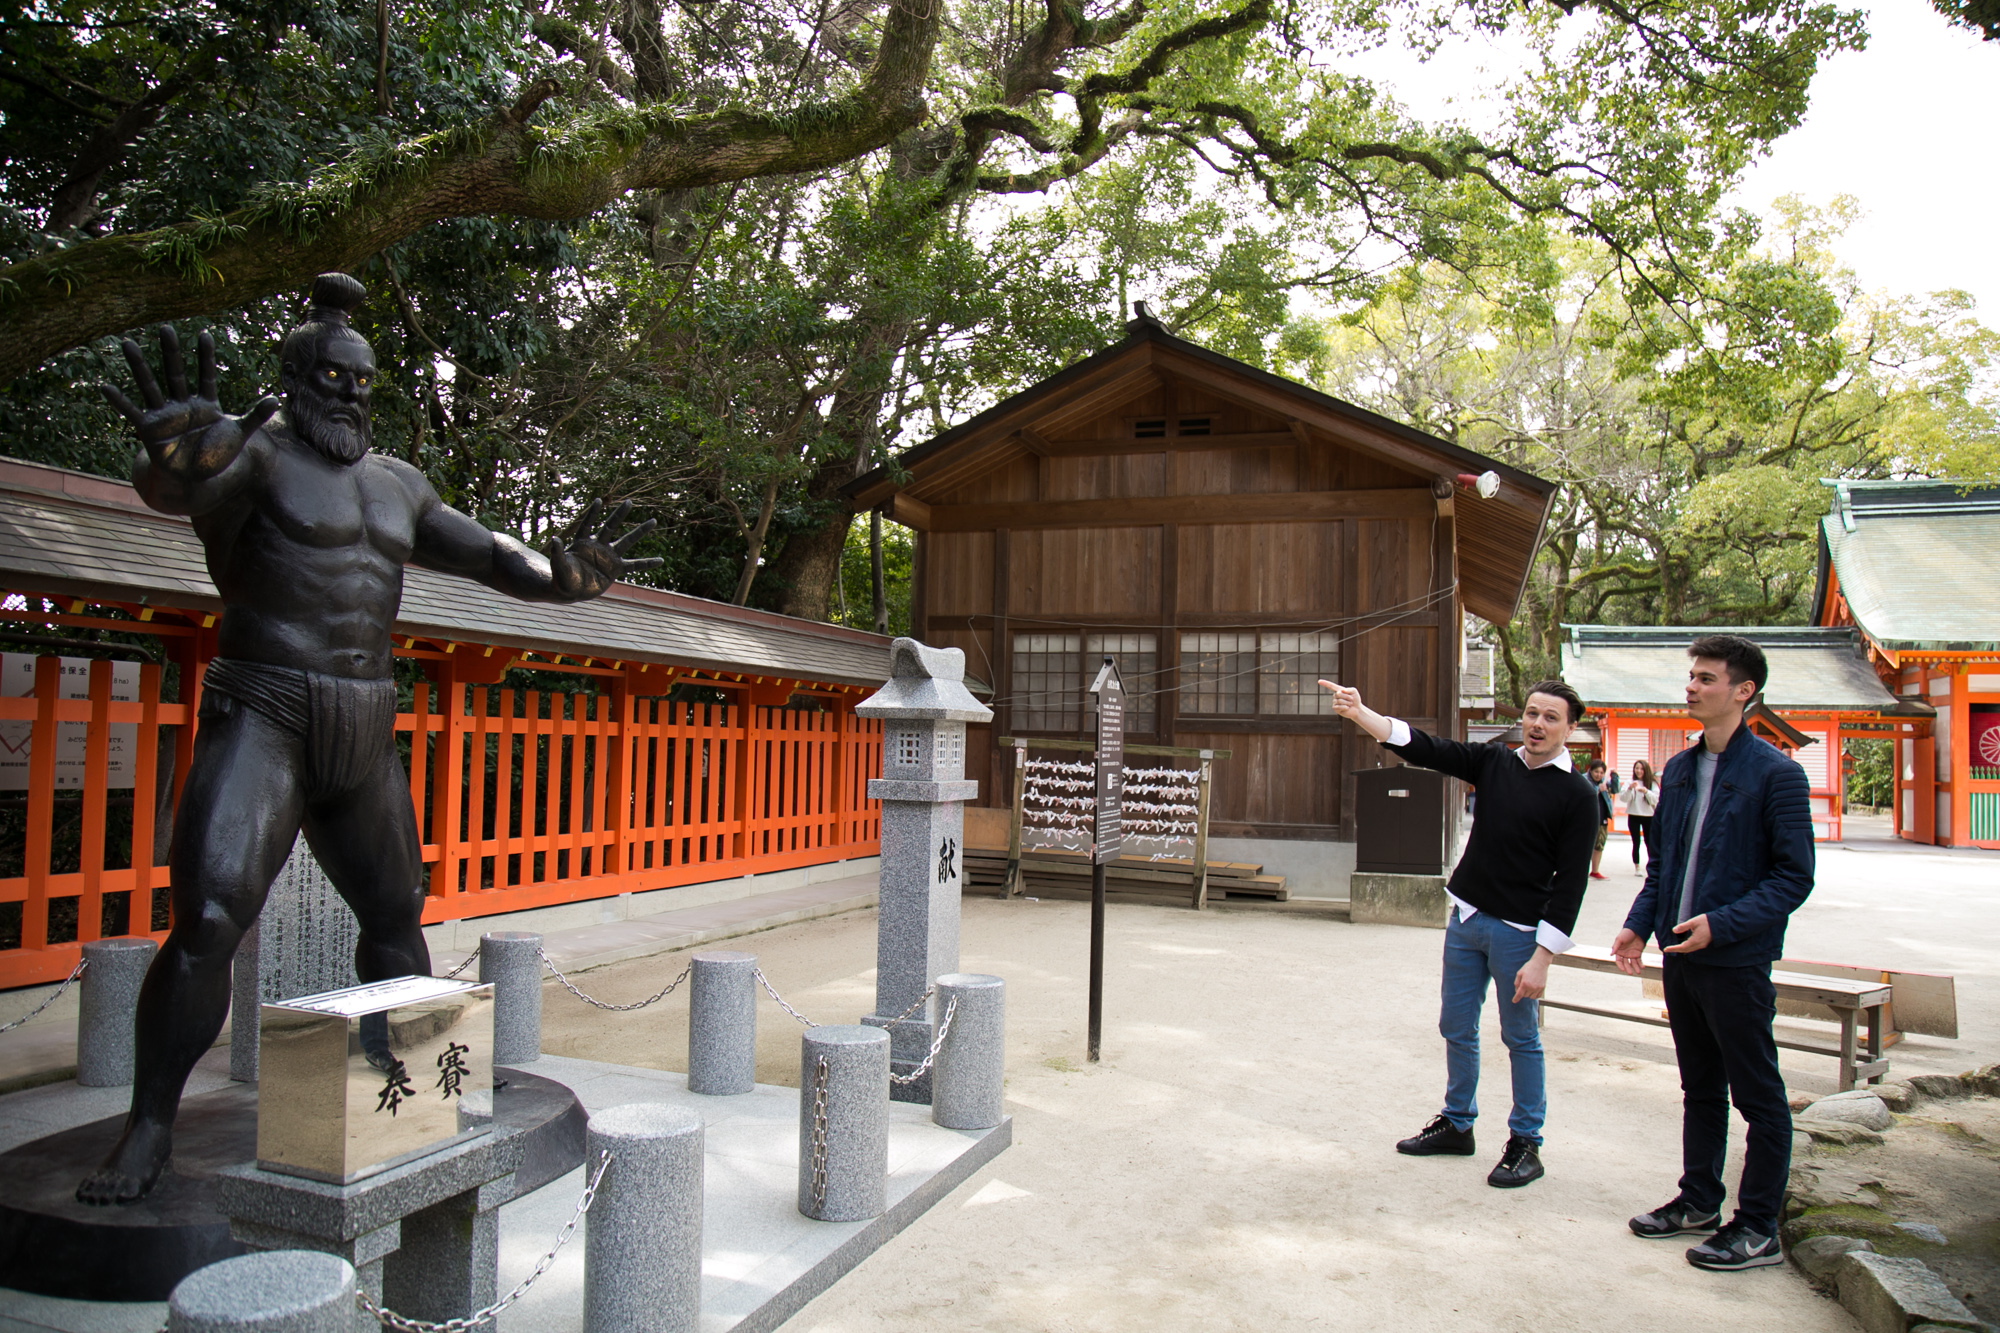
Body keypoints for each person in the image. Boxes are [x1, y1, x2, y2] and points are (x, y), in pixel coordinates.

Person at [78, 274, 661, 1205]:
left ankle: (418, 1082)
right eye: (336, 377)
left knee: (396, 911)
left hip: (361, 717)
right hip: (265, 704)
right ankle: (149, 1124)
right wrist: (172, 462)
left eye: (364, 380)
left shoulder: (397, 485)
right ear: (299, 375)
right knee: (210, 919)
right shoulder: (253, 459)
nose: (352, 393)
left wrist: (562, 577)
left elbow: (487, 555)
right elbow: (180, 487)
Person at [1320, 678, 1598, 1189]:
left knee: (1521, 1037)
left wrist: (1543, 957)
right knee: (1455, 1026)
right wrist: (1363, 714)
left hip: (1520, 933)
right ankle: (1457, 1122)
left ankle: (1525, 1141)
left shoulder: (1579, 795)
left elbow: (1572, 884)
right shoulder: (1495, 763)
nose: (1537, 724)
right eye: (1532, 713)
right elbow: (1426, 748)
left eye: (1550, 717)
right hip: (1467, 918)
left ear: (1571, 728)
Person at [1612, 634, 1814, 1272]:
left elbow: (1793, 877)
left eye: (1705, 677)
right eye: (1691, 676)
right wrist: (1638, 926)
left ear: (1743, 691)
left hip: (1735, 962)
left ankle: (1757, 1226)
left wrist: (1721, 925)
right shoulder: (1678, 769)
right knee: (1699, 1088)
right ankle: (1698, 1199)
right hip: (1681, 958)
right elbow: (1665, 864)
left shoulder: (1777, 775)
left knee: (1758, 1095)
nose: (1692, 686)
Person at [1623, 759, 1660, 872]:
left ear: (1646, 770)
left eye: (1641, 769)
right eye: (1637, 768)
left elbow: (1656, 799)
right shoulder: (1630, 782)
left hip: (1648, 816)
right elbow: (1623, 798)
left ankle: (1652, 866)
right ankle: (1637, 866)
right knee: (1636, 842)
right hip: (1634, 815)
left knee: (1649, 842)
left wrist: (1646, 791)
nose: (1639, 771)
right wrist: (1630, 789)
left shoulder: (1652, 783)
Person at [1586, 759, 1619, 879]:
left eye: (1601, 773)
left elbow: (1615, 790)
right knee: (1585, 846)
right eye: (1596, 772)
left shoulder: (1604, 782)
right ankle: (1581, 871)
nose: (1598, 775)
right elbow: (1586, 796)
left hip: (1602, 818)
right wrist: (1598, 789)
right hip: (1587, 819)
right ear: (1591, 771)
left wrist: (1614, 776)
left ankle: (1595, 871)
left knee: (1599, 845)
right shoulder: (1585, 780)